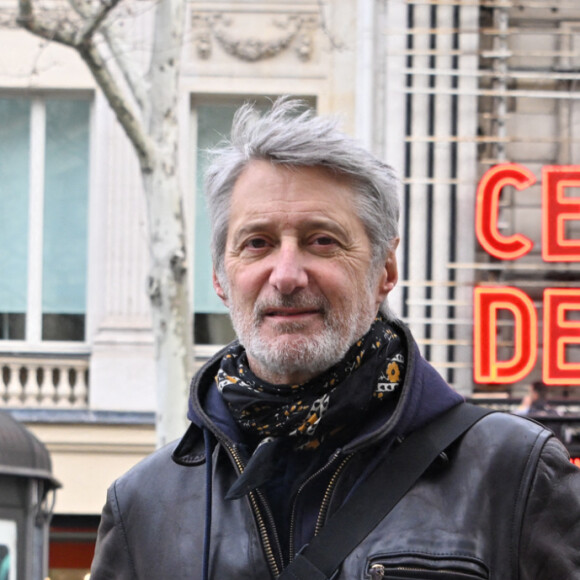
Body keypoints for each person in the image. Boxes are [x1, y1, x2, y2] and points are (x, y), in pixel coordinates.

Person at [90, 99, 580, 579]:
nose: (285, 275)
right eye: (256, 243)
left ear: (385, 269)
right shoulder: (143, 506)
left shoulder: (515, 475)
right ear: (220, 277)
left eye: (321, 240)